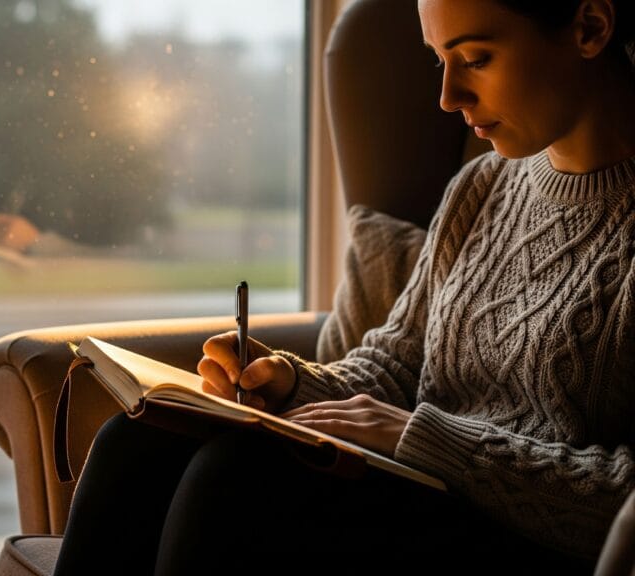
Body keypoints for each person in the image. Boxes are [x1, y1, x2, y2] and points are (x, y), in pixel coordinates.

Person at [52, 0, 635, 573]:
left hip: (528, 538)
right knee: (139, 441)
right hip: (420, 494)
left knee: (232, 479)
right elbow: (396, 366)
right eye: (439, 61)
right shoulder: (482, 188)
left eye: (476, 59)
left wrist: (426, 439)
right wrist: (288, 383)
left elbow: (623, 494)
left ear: (589, 27)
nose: (448, 96)